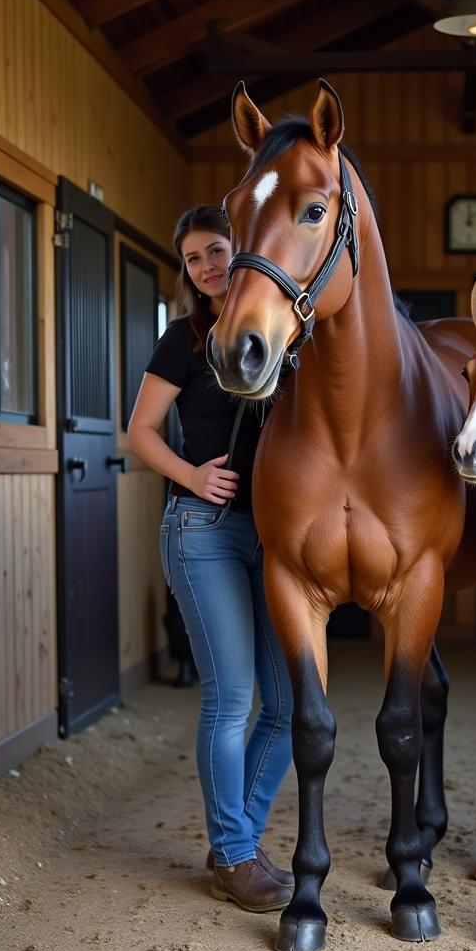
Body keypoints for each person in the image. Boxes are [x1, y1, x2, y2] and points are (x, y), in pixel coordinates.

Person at [128, 206, 294, 913]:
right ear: (187, 272)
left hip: (277, 535)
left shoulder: (285, 330)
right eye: (194, 258)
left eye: (216, 250)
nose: (207, 267)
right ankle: (233, 854)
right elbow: (139, 431)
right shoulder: (183, 340)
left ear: (243, 251)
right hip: (202, 529)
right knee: (230, 698)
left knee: (288, 706)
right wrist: (192, 475)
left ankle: (238, 843)